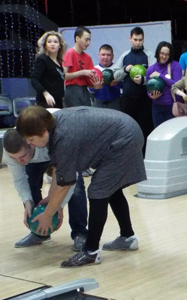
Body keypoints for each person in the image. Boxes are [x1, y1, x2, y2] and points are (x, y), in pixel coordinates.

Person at [16, 106, 146, 268]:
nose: (29, 144)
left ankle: (91, 252)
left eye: (31, 139)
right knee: (111, 188)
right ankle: (127, 237)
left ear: (43, 132)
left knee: (98, 191)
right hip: (124, 129)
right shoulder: (52, 126)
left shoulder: (64, 137)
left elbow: (66, 183)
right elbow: (59, 169)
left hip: (125, 138)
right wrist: (51, 199)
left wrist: (48, 214)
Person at [1, 129, 88, 251]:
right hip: (35, 159)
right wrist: (27, 201)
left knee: (76, 188)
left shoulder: (51, 140)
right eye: (14, 158)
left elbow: (70, 180)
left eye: (22, 156)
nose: (19, 162)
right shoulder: (11, 152)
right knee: (30, 188)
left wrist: (58, 206)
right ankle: (40, 232)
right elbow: (19, 180)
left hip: (56, 151)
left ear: (31, 144)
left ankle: (80, 233)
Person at [113, 26, 154, 142]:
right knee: (127, 130)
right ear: (130, 38)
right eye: (135, 39)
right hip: (127, 99)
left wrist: (143, 80)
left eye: (140, 40)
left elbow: (155, 77)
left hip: (144, 100)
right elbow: (114, 75)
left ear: (143, 39)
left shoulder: (149, 55)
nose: (138, 42)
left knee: (145, 130)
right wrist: (125, 70)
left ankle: (144, 152)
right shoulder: (125, 55)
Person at [146, 41, 182, 128]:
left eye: (167, 54)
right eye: (162, 53)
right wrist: (151, 96)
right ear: (158, 53)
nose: (164, 56)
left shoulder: (175, 66)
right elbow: (148, 88)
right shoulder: (150, 69)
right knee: (158, 132)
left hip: (172, 106)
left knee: (173, 131)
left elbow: (177, 85)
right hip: (157, 106)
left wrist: (160, 76)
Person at [62, 26, 100, 108]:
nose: (88, 43)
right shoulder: (70, 53)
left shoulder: (88, 57)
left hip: (84, 90)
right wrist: (82, 72)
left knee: (87, 113)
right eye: (86, 40)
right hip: (72, 90)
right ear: (77, 38)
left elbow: (89, 79)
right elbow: (63, 75)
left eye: (89, 40)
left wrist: (96, 85)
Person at [30, 31, 66, 108]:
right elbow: (34, 79)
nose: (52, 44)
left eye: (55, 42)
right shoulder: (42, 59)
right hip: (45, 102)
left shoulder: (59, 62)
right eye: (49, 42)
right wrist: (45, 93)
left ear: (60, 45)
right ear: (45, 45)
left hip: (58, 102)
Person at [91, 44, 123, 111]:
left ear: (113, 56)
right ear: (98, 55)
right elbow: (89, 90)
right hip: (98, 103)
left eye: (108, 55)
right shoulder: (93, 70)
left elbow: (125, 86)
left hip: (115, 102)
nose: (105, 57)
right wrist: (95, 87)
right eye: (103, 55)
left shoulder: (118, 69)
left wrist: (117, 82)